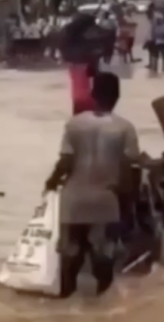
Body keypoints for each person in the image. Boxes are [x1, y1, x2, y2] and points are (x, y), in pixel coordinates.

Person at [45, 71, 140, 298]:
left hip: (73, 199)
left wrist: (50, 184)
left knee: (70, 252)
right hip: (104, 200)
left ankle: (66, 298)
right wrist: (126, 202)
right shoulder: (125, 127)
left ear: (93, 94)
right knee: (103, 253)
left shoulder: (74, 124)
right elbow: (128, 168)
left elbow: (65, 162)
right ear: (117, 96)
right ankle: (102, 302)